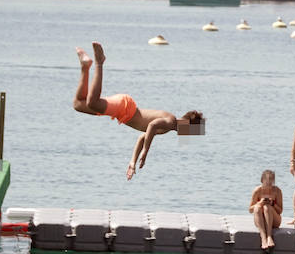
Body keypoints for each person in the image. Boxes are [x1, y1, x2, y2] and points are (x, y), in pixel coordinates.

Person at [72, 42, 203, 181]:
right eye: (191, 132)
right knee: (92, 103)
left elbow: (143, 137)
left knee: (78, 104)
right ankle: (99, 62)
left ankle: (85, 67)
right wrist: (146, 151)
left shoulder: (168, 128)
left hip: (122, 112)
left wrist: (132, 162)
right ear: (187, 124)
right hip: (125, 108)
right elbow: (152, 125)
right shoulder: (170, 122)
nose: (188, 135)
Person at [249, 169, 283, 251]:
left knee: (267, 207)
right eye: (266, 183)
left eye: (271, 184)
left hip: (274, 220)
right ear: (262, 181)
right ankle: (263, 239)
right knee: (257, 208)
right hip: (260, 220)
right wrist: (260, 203)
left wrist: (272, 204)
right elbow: (250, 209)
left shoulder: (277, 191)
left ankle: (269, 236)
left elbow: (280, 211)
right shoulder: (257, 191)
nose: (269, 186)